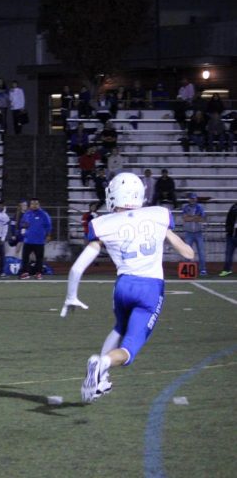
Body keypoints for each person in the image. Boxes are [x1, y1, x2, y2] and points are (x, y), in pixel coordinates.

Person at [62, 172, 195, 403]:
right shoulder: (157, 215)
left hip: (123, 287)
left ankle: (100, 380)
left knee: (119, 327)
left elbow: (76, 268)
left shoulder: (103, 223)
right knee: (129, 349)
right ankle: (101, 363)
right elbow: (188, 253)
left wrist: (71, 296)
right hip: (150, 288)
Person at [17, 198, 52, 279]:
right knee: (25, 257)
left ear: (39, 205)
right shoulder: (27, 214)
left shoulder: (44, 214)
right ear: (30, 205)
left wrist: (48, 235)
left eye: (36, 204)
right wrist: (23, 227)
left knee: (39, 258)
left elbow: (48, 226)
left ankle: (38, 273)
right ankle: (25, 273)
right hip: (28, 240)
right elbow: (22, 224)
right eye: (32, 204)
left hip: (39, 241)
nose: (34, 205)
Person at [181, 193, 207, 276]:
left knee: (201, 252)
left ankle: (202, 269)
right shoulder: (186, 207)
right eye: (191, 198)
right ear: (189, 199)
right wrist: (195, 217)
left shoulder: (200, 207)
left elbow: (202, 219)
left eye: (194, 198)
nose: (193, 200)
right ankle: (186, 269)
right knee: (186, 251)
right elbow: (185, 218)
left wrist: (191, 217)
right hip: (189, 232)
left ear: (196, 199)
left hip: (198, 232)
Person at [221, 202, 237, 277]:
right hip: (231, 235)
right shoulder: (233, 207)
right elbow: (228, 219)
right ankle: (227, 270)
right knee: (228, 254)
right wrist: (228, 229)